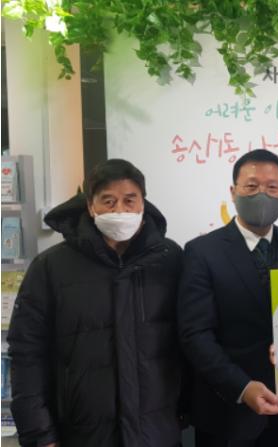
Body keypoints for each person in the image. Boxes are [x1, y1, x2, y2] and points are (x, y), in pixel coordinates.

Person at [8, 159, 185, 447]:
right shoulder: (51, 267)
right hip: (82, 433)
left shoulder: (170, 259)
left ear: (143, 203)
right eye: (108, 201)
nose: (120, 210)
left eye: (129, 200)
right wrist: (39, 433)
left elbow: (189, 338)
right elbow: (27, 352)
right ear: (90, 206)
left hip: (156, 432)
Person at [178, 149, 278, 447]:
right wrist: (241, 387)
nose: (262, 194)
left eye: (272, 187)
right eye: (251, 186)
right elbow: (195, 334)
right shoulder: (202, 251)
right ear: (233, 191)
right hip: (227, 412)